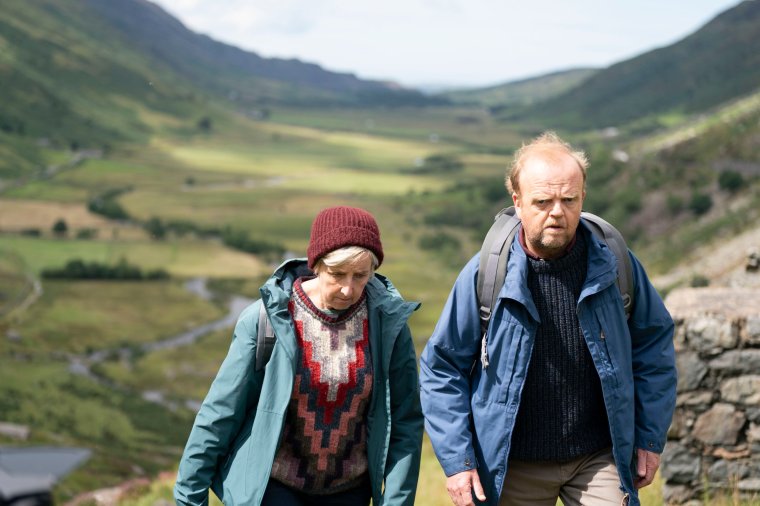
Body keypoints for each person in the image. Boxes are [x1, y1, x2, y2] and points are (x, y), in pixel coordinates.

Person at [419, 132, 677, 506]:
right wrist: (458, 462)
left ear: (583, 197)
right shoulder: (487, 273)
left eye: (568, 199)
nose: (557, 211)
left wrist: (648, 439)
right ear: (517, 201)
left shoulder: (616, 263)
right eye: (542, 201)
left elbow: (653, 349)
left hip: (597, 457)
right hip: (511, 463)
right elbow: (442, 368)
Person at [175, 206, 423, 506]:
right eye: (337, 274)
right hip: (273, 487)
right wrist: (189, 496)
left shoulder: (387, 325)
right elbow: (220, 413)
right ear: (316, 264)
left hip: (350, 493)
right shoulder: (266, 320)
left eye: (361, 276)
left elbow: (405, 421)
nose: (348, 288)